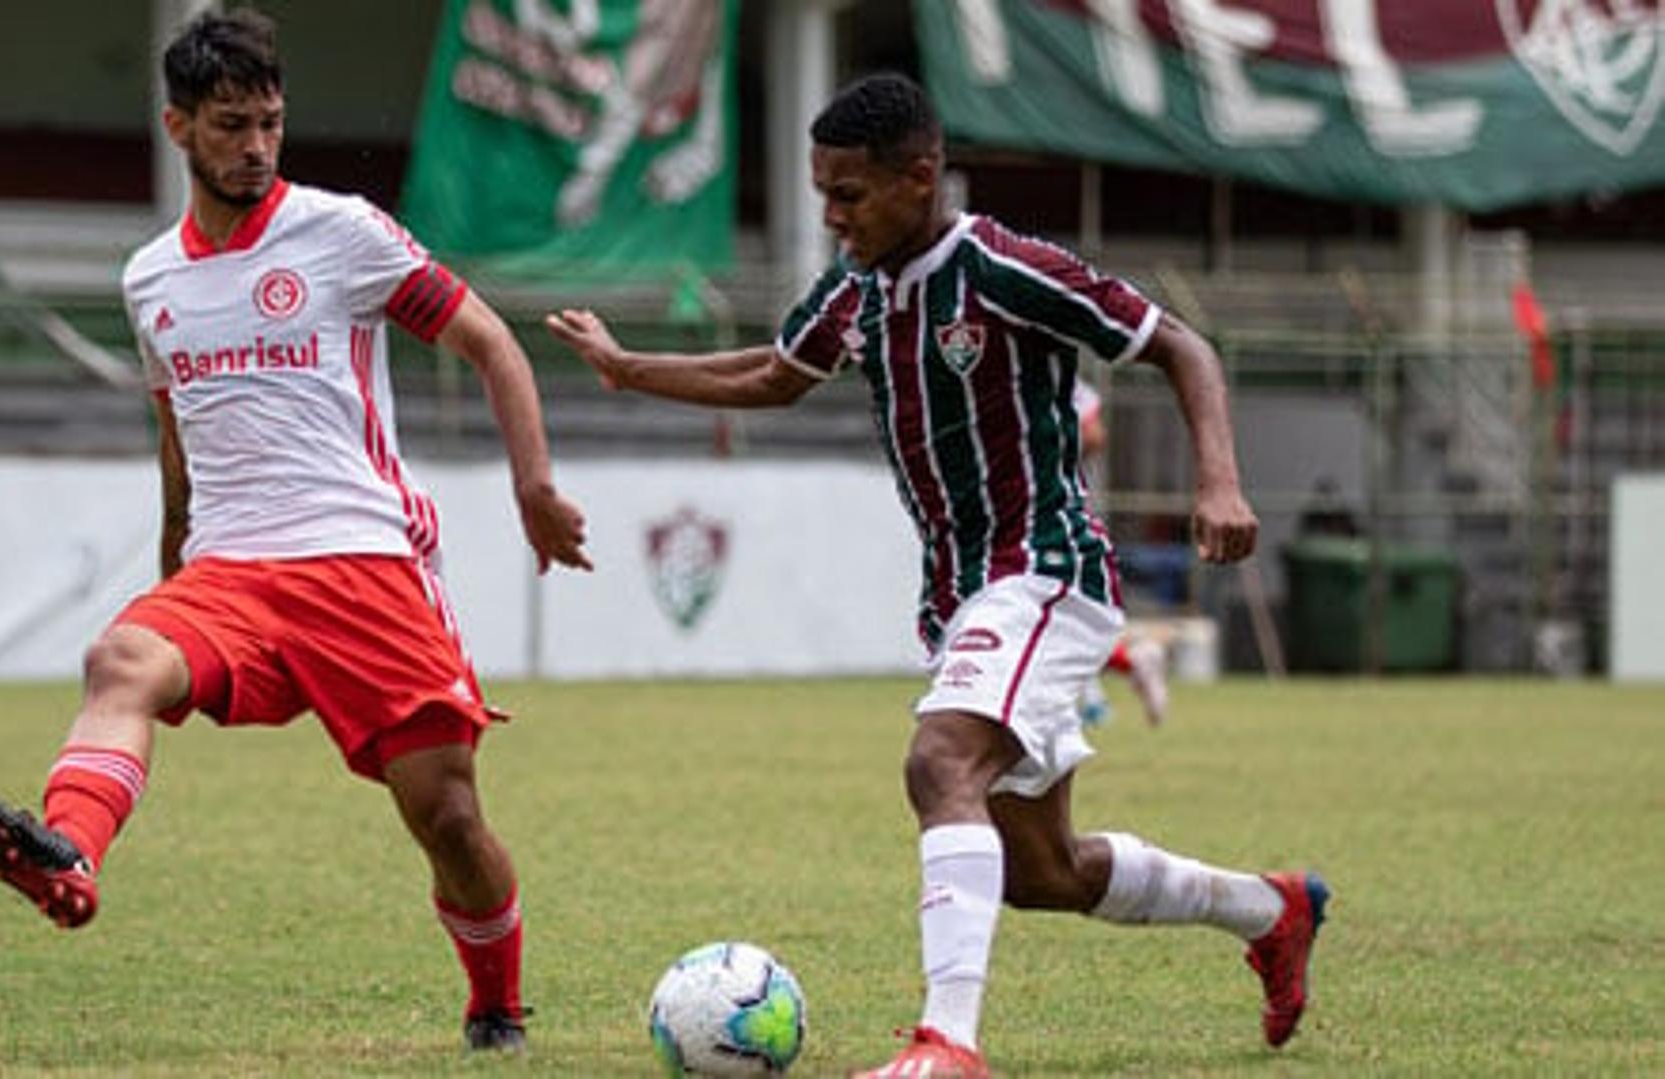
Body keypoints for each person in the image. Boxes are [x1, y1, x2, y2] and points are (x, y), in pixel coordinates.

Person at [547, 73, 1328, 1076]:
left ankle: (948, 1044)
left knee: (938, 763)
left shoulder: (1005, 268)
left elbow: (1180, 345)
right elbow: (777, 373)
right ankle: (1272, 909)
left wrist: (1219, 481)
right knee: (1040, 869)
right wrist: (630, 367)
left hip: (1045, 568)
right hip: (964, 595)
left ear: (920, 178)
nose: (831, 215)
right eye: (822, 192)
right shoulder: (859, 288)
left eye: (849, 194)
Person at [0, 8, 590, 1053]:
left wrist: (534, 486)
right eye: (233, 125)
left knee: (449, 817)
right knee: (118, 657)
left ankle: (495, 1005)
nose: (255, 146)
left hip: (362, 562)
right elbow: (177, 440)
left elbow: (489, 341)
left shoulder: (343, 232)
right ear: (178, 127)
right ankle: (69, 853)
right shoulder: (150, 279)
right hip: (231, 574)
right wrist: (172, 572)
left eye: (270, 124)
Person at [1071, 377, 1169, 727]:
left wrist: (1050, 449)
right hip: (1028, 516)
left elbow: (1095, 434)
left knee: (1054, 617)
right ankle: (1101, 690)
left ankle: (1117, 674)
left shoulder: (1056, 374)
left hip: (1053, 517)